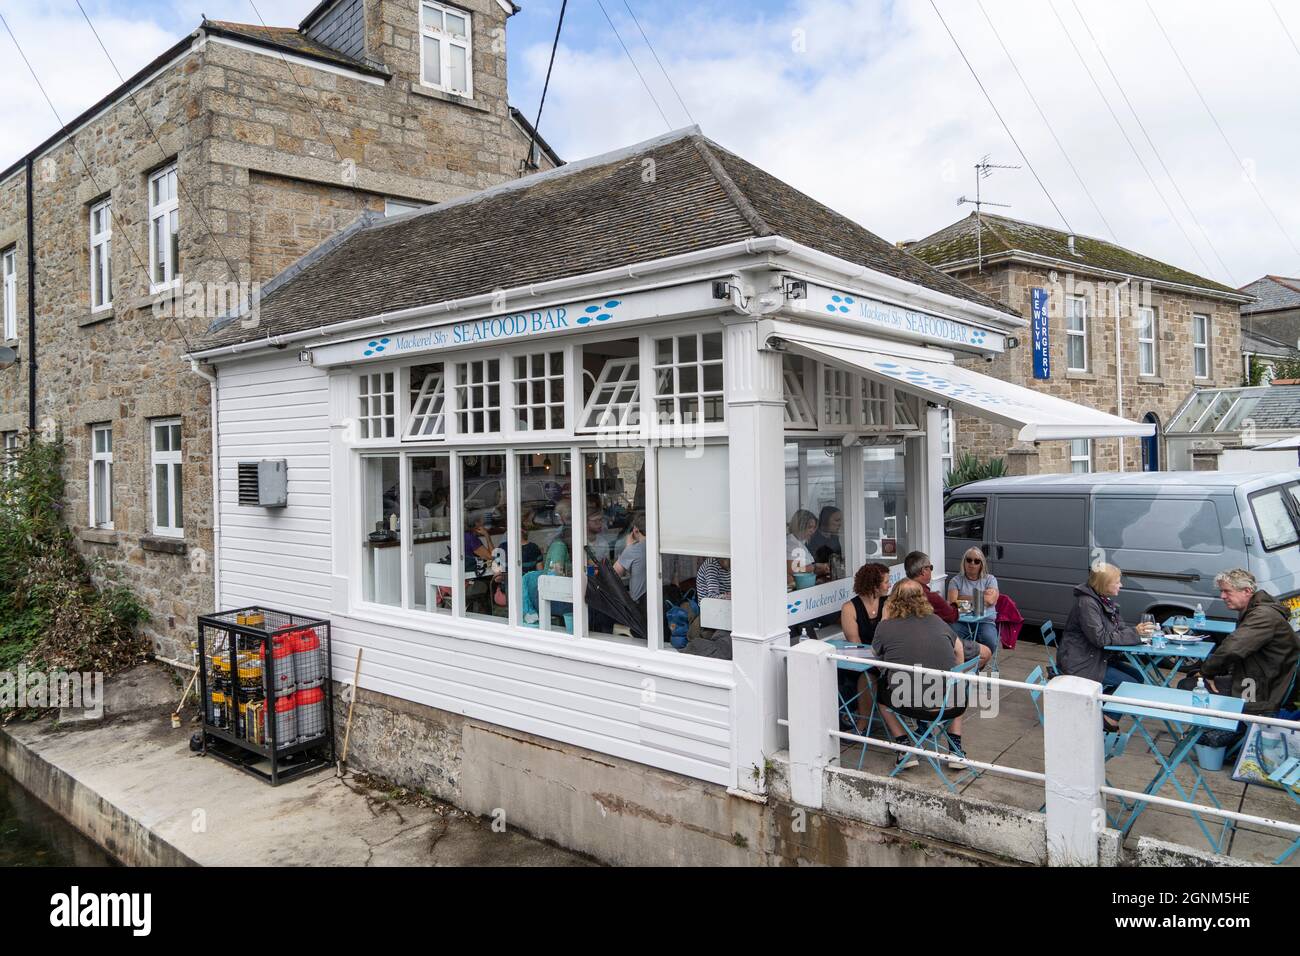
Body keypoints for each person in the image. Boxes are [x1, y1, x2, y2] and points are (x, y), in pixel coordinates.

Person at [1177, 569, 1300, 748]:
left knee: (1190, 686)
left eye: (1227, 591)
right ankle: (1214, 733)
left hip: (1263, 690)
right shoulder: (1258, 611)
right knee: (1194, 681)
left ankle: (1214, 735)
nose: (1222, 596)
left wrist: (1206, 672)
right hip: (1262, 680)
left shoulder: (1262, 616)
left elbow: (1232, 648)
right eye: (1222, 591)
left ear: (1247, 591)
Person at [871, 579, 971, 770]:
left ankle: (904, 747)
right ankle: (955, 750)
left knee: (881, 690)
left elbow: (876, 654)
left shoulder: (887, 626)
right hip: (952, 704)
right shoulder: (937, 621)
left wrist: (885, 618)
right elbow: (959, 652)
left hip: (908, 703)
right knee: (954, 684)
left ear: (893, 600)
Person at [1058, 563, 1152, 730]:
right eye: (1116, 582)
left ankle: (1100, 713)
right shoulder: (1087, 603)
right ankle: (1108, 719)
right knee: (1129, 684)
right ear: (1103, 583)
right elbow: (1100, 638)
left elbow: (1118, 627)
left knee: (1137, 677)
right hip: (1081, 663)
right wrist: (1135, 635)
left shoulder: (1102, 600)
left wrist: (1136, 631)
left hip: (1097, 657)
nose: (1120, 585)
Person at [903, 550, 990, 670]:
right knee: (985, 653)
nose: (972, 564)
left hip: (907, 641)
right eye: (930, 567)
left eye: (976, 561)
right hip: (933, 642)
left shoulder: (899, 591)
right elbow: (952, 615)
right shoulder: (930, 596)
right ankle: (958, 681)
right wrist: (953, 603)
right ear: (924, 571)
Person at [840, 562, 890, 729]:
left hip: (884, 656)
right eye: (885, 582)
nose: (889, 585)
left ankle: (867, 723)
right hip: (860, 660)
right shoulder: (849, 608)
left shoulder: (888, 603)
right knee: (867, 676)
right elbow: (855, 643)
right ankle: (863, 723)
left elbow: (888, 635)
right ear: (873, 585)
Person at [947, 548, 1000, 655]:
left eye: (976, 561)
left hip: (984, 621)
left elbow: (990, 600)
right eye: (969, 560)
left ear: (982, 564)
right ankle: (965, 664)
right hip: (961, 621)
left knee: (990, 641)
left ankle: (979, 666)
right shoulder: (956, 581)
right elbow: (953, 604)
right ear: (964, 562)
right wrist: (981, 597)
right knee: (951, 640)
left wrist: (961, 597)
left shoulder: (990, 579)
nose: (972, 563)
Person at [614, 512, 648, 612]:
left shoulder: (633, 550)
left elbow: (614, 575)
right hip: (663, 598)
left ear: (635, 530)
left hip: (640, 605)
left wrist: (628, 547)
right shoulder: (662, 547)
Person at [787, 510, 827, 585]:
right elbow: (792, 569)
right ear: (799, 525)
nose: (812, 531)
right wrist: (815, 567)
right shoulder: (791, 543)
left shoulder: (800, 542)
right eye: (809, 527)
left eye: (814, 528)